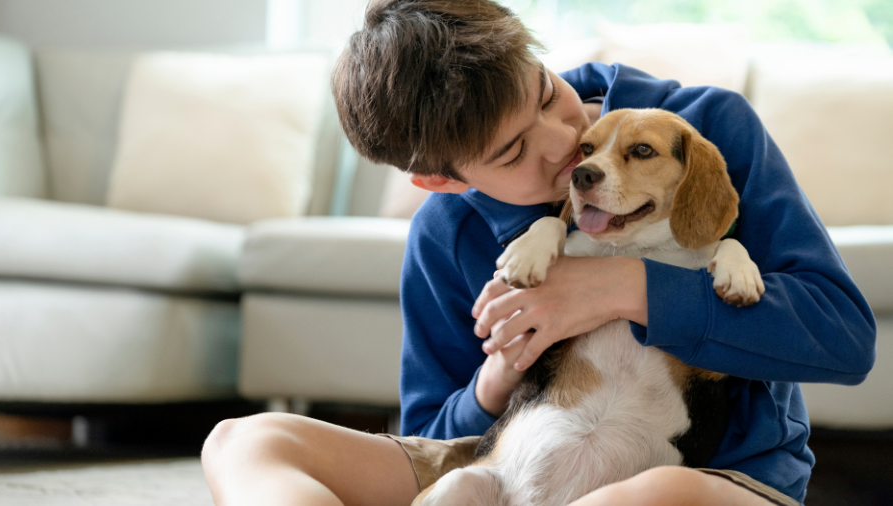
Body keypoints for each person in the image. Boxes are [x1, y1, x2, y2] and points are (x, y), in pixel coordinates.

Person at [201, 1, 877, 505]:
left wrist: (622, 287)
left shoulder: (708, 126)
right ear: (445, 180)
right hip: (503, 460)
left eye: (548, 95)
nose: (563, 145)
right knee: (241, 441)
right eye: (512, 152)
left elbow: (843, 338)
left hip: (707, 472)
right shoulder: (445, 230)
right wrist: (496, 374)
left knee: (639, 501)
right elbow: (431, 434)